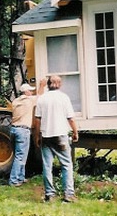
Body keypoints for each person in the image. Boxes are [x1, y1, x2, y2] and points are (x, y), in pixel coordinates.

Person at [34, 75, 79, 203]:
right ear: (59, 84)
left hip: (46, 137)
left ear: (48, 84)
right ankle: (68, 194)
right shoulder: (64, 98)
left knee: (47, 166)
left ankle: (50, 195)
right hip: (60, 136)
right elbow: (70, 118)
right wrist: (75, 132)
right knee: (66, 165)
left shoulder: (42, 99)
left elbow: (37, 120)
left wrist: (37, 136)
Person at [8, 79, 46, 186]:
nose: (31, 92)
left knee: (19, 155)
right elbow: (40, 96)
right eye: (30, 91)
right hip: (23, 131)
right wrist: (42, 85)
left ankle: (20, 177)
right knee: (21, 156)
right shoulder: (28, 101)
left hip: (13, 129)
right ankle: (13, 180)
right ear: (26, 92)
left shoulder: (15, 101)